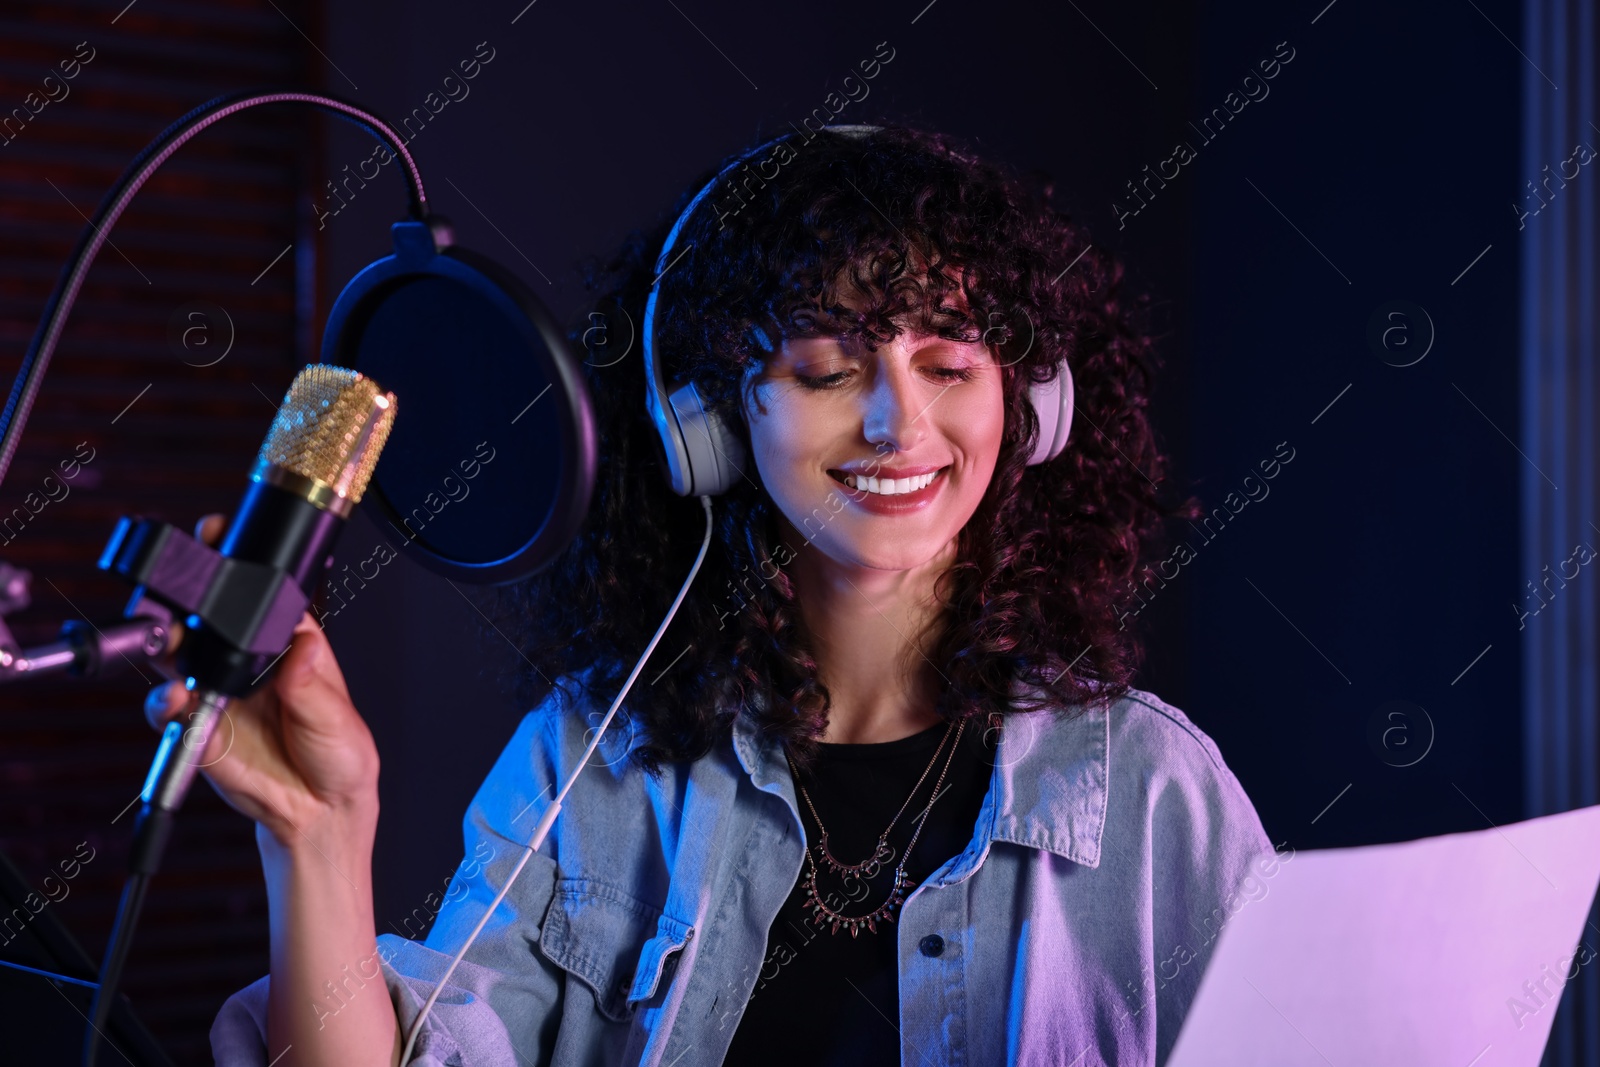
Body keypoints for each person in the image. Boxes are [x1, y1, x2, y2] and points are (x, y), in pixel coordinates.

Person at [158, 123, 1273, 1067]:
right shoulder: (590, 762)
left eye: (949, 363)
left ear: (1028, 399)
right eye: (826, 369)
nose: (897, 424)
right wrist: (318, 831)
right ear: (712, 423)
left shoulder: (1157, 792)